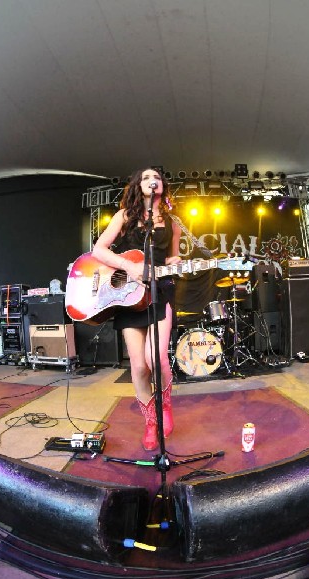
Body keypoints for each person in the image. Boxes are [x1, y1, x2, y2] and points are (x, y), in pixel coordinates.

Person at [91, 167, 182, 451]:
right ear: (137, 185)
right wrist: (129, 265)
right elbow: (99, 250)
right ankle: (150, 423)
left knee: (156, 359)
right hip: (129, 297)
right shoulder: (124, 217)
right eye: (144, 177)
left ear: (162, 186)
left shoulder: (173, 222)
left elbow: (173, 255)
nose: (150, 181)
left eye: (155, 177)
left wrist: (177, 261)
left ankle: (165, 405)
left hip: (159, 293)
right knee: (139, 366)